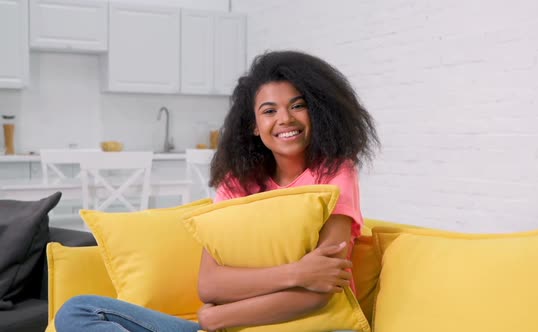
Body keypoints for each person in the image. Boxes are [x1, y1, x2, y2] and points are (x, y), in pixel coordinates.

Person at [54, 50, 379, 332]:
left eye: (298, 106)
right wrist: (297, 272)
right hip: (234, 325)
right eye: (269, 110)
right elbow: (210, 284)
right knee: (79, 311)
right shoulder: (239, 183)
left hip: (309, 326)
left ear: (318, 112)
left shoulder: (335, 173)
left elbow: (321, 289)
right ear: (253, 125)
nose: (285, 119)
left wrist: (218, 316)